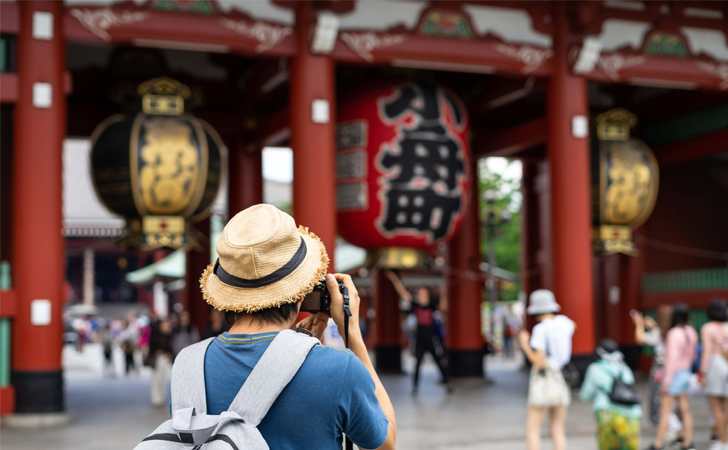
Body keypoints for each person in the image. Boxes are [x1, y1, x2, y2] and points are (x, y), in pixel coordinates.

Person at [179, 204, 396, 448]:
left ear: (227, 296)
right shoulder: (338, 369)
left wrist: (293, 349)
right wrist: (351, 332)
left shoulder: (187, 366)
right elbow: (385, 443)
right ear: (301, 291)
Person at [519, 289, 575, 450]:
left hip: (544, 381)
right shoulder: (565, 322)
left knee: (532, 430)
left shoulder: (540, 329)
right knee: (557, 429)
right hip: (561, 378)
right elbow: (574, 326)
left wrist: (524, 345)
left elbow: (539, 362)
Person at [384, 270, 452, 396]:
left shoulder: (432, 305)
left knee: (439, 360)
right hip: (419, 338)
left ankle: (447, 384)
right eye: (419, 293)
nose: (421, 295)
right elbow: (402, 292)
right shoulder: (415, 305)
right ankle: (415, 388)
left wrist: (443, 292)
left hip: (431, 337)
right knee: (418, 364)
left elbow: (444, 307)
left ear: (427, 294)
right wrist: (394, 279)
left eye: (423, 293)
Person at [646, 303, 698, 450]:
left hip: (674, 375)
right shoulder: (691, 331)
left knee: (665, 411)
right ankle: (688, 442)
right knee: (685, 410)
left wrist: (667, 381)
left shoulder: (674, 333)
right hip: (685, 373)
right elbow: (693, 355)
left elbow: (672, 359)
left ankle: (658, 444)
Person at [579, 339, 642, 450]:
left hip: (606, 413)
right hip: (631, 414)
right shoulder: (624, 368)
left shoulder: (595, 368)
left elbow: (585, 395)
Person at [700, 298, 728, 450]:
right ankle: (725, 440)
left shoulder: (708, 327)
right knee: (726, 406)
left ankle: (722, 441)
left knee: (716, 407)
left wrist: (703, 373)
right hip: (727, 364)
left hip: (715, 365)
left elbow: (707, 351)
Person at [149, 317, 174, 408]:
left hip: (165, 359)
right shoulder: (156, 335)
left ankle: (161, 397)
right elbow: (152, 347)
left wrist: (169, 353)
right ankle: (156, 398)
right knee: (156, 379)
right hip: (157, 359)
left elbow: (171, 348)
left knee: (164, 379)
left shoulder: (169, 335)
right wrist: (157, 352)